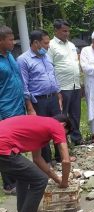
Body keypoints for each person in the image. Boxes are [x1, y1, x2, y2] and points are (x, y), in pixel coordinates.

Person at [0, 114, 72, 212]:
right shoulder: (57, 125)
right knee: (40, 180)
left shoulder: (41, 127)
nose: (61, 137)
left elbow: (37, 159)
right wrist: (65, 182)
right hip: (4, 146)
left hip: (4, 143)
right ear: (64, 125)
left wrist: (57, 179)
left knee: (24, 177)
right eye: (65, 134)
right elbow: (66, 160)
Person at [17, 29, 63, 164]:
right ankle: (46, 161)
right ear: (36, 43)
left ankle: (60, 157)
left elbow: (53, 76)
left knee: (57, 126)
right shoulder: (23, 60)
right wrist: (30, 108)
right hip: (38, 101)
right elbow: (24, 86)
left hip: (53, 98)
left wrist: (59, 94)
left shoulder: (47, 56)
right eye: (46, 43)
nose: (48, 46)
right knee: (41, 132)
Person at [48, 19, 83, 146]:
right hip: (62, 86)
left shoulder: (72, 45)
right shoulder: (51, 46)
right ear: (56, 30)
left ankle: (76, 138)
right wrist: (56, 89)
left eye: (68, 31)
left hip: (75, 85)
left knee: (75, 114)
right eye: (64, 31)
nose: (67, 33)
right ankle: (62, 142)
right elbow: (49, 67)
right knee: (62, 117)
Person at [0, 25, 25, 195]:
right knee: (6, 148)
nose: (13, 42)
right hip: (5, 109)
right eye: (10, 39)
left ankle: (19, 177)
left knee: (17, 146)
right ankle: (9, 185)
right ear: (0, 40)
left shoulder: (10, 56)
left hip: (18, 107)